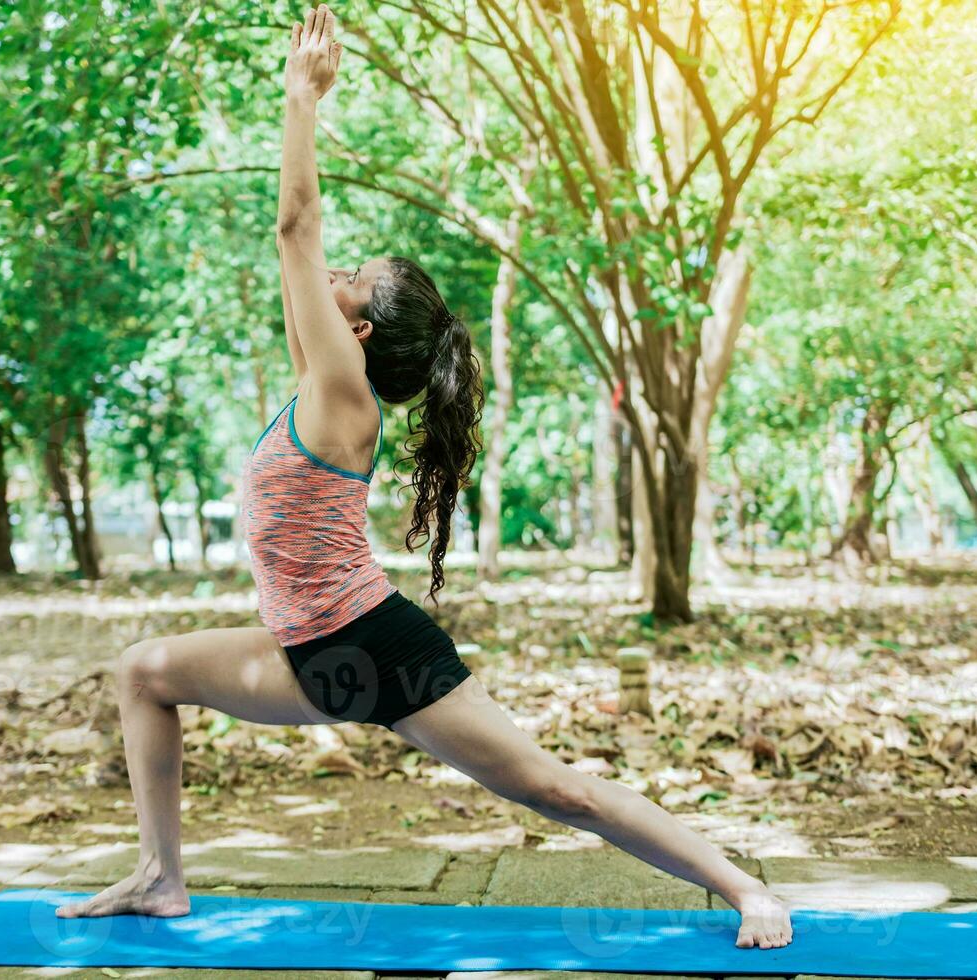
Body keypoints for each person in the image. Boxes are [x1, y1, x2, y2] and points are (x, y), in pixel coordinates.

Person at [57, 4, 793, 951]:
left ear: (356, 332)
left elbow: (293, 226)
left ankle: (743, 888)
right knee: (145, 674)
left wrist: (301, 98)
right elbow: (295, 257)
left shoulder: (343, 398)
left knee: (553, 789)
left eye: (349, 276)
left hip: (371, 649)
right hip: (307, 658)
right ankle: (160, 877)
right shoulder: (313, 380)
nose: (331, 273)